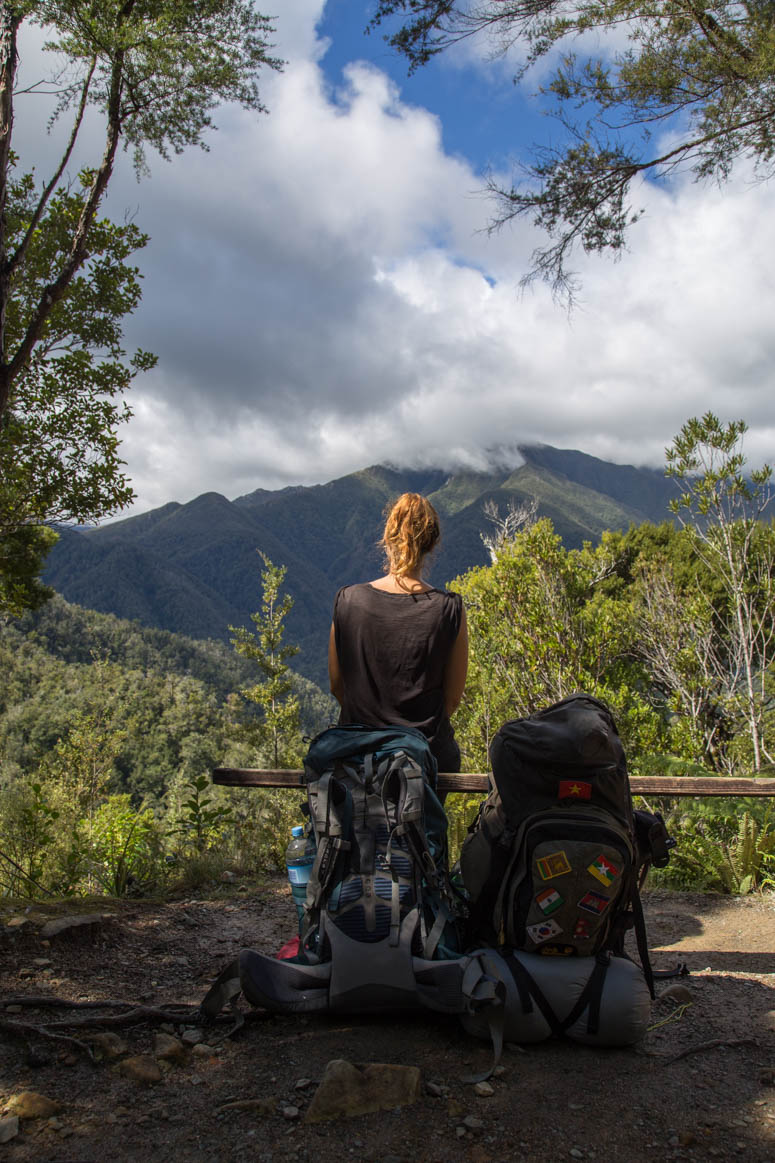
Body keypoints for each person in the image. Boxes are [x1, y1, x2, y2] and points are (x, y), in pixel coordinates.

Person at [328, 492, 468, 773]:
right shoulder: (449, 609)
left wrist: (373, 729)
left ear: (388, 539)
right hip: (424, 759)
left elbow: (338, 685)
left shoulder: (347, 600)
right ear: (432, 543)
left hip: (357, 756)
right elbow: (452, 699)